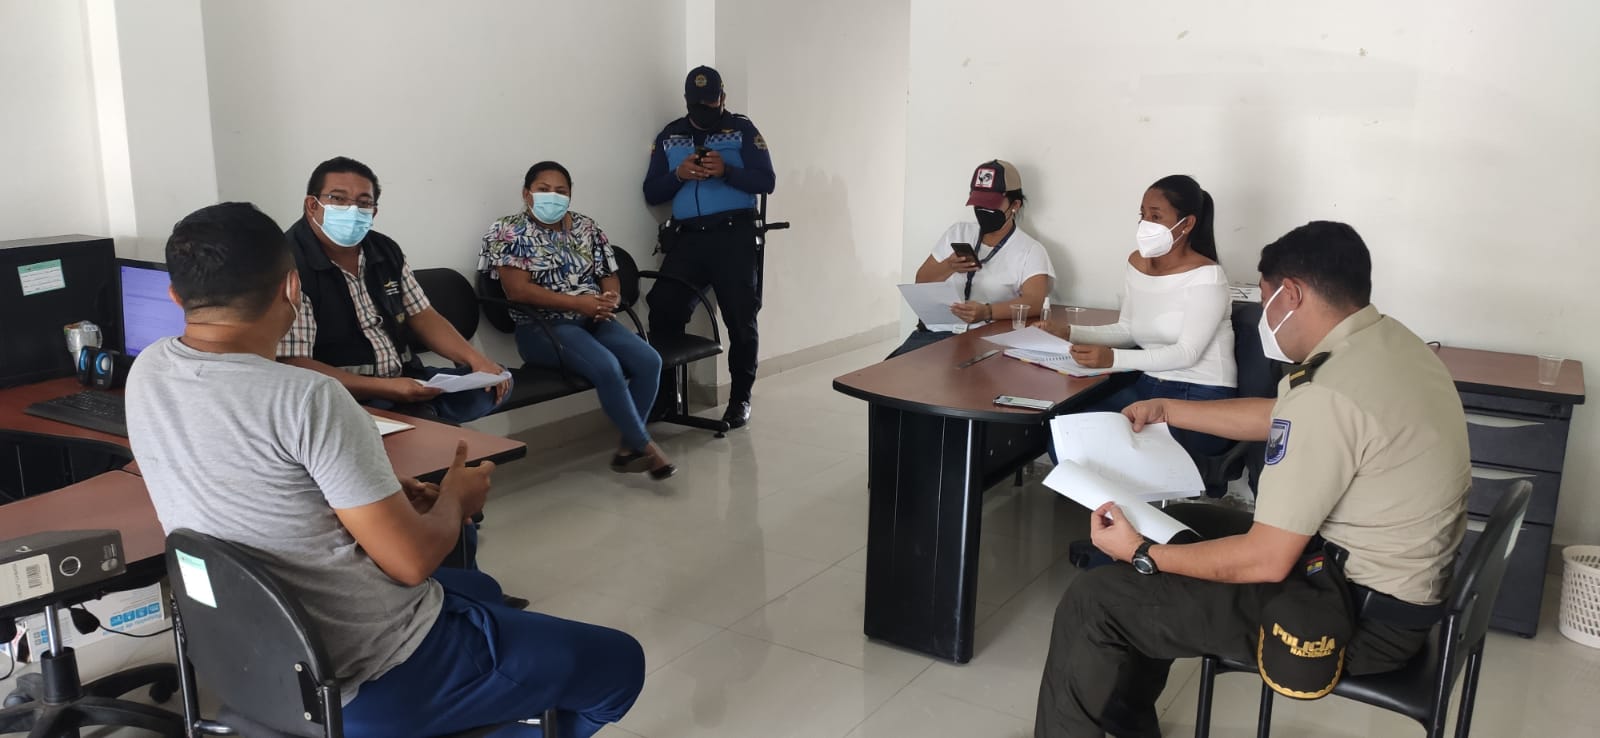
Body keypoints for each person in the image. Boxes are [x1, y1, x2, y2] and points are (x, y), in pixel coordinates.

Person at [128, 202, 645, 737]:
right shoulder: (308, 397)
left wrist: (371, 486)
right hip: (369, 671)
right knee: (620, 665)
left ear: (175, 297)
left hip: (251, 656)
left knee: (482, 588)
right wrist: (456, 498)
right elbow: (411, 562)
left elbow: (244, 469)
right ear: (291, 289)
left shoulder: (150, 369)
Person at [1034, 221, 1471, 738]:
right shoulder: (1387, 345)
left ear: (1292, 294)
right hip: (1387, 588)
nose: (1264, 317)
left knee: (1096, 599)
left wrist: (1142, 555)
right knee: (1175, 521)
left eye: (1265, 302)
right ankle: (1125, 723)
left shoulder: (1330, 394)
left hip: (1353, 619)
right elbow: (1280, 413)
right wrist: (1169, 409)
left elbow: (1266, 559)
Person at [278, 156, 511, 424]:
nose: (352, 209)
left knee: (496, 382)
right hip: (341, 397)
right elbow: (293, 363)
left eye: (363, 203)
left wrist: (477, 360)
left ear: (374, 212)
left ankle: (416, 415)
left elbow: (423, 315)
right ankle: (417, 417)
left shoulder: (385, 250)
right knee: (407, 420)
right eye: (338, 199)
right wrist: (385, 389)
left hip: (405, 379)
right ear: (312, 205)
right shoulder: (288, 264)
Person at [480, 161, 675, 479]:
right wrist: (577, 304)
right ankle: (647, 447)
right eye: (543, 189)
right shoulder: (508, 230)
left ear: (570, 195)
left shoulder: (586, 227)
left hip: (594, 319)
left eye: (561, 191)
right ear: (527, 193)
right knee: (607, 367)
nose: (552, 196)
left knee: (649, 361)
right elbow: (517, 290)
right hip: (542, 328)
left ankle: (629, 447)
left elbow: (608, 274)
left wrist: (610, 297)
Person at [1042, 175, 1236, 456]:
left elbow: (1187, 353)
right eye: (1142, 214)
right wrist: (1069, 332)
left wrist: (1113, 359)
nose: (1145, 224)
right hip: (1149, 385)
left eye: (1156, 216)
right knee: (1065, 439)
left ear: (1187, 224)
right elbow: (1128, 329)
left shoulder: (1207, 276)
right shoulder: (1137, 263)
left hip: (1200, 397)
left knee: (1099, 450)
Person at [643, 65, 775, 429]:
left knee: (740, 319)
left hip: (733, 237)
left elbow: (766, 181)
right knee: (663, 308)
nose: (703, 108)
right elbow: (651, 191)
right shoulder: (670, 135)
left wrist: (726, 172)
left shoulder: (742, 130)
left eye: (710, 101)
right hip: (688, 239)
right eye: (696, 102)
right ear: (686, 100)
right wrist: (678, 175)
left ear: (722, 98)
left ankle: (740, 399)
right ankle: (667, 397)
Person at [889, 159, 1055, 358]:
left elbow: (1035, 301)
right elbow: (921, 280)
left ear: (1015, 205)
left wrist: (988, 312)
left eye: (991, 204)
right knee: (889, 373)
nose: (983, 209)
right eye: (979, 203)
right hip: (936, 333)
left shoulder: (1030, 250)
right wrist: (949, 266)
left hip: (987, 337)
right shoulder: (958, 232)